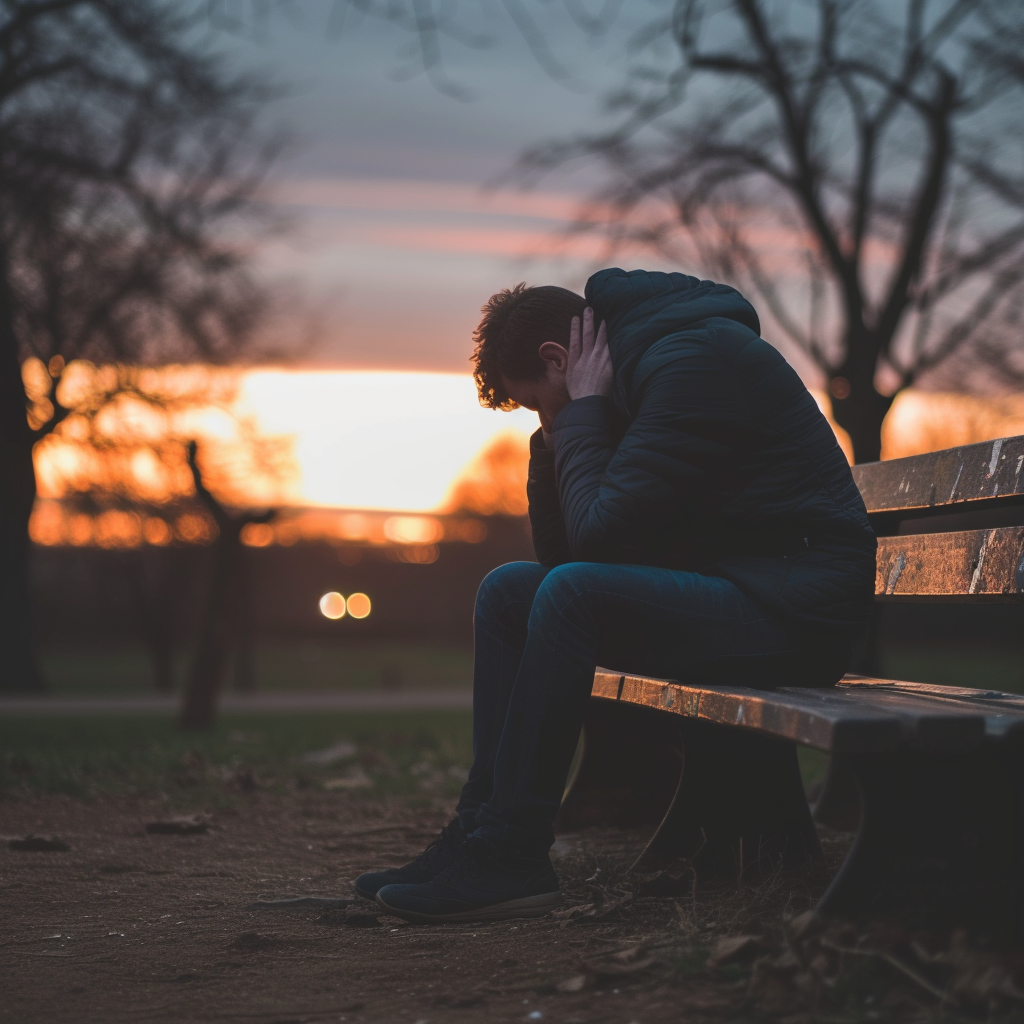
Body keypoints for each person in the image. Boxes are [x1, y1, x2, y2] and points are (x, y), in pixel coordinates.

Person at [357, 268, 876, 924]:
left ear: (558, 359)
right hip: (739, 592)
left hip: (794, 614)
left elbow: (596, 545)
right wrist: (557, 434)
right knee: (511, 590)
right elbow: (564, 559)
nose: (544, 420)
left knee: (570, 594)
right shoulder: (632, 377)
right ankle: (480, 832)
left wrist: (578, 416)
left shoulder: (692, 363)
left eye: (536, 403)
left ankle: (512, 853)